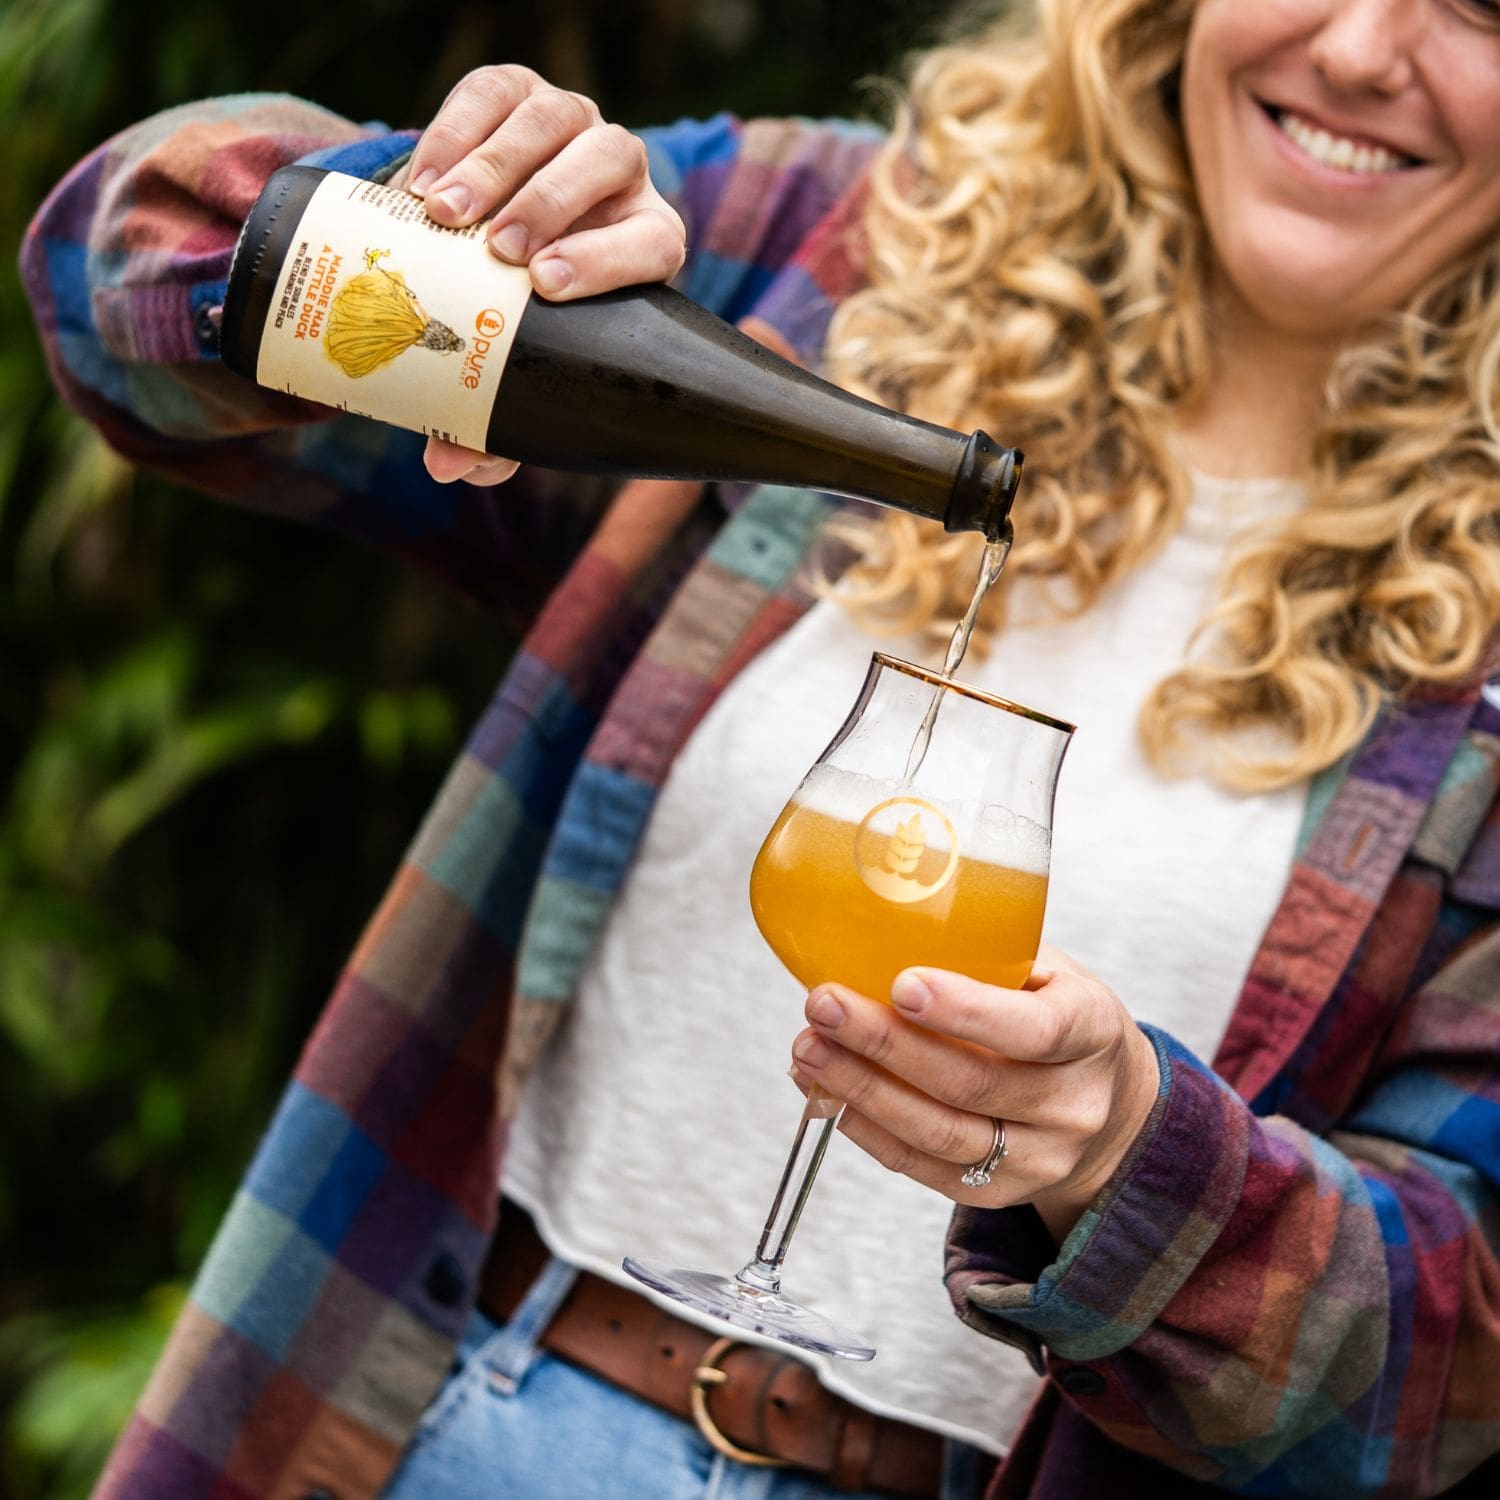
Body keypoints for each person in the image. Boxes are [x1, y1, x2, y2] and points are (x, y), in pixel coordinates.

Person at [20, 0, 1500, 1496]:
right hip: (474, 1427)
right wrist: (447, 201)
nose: (1361, 51)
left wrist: (1136, 1156)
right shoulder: (816, 249)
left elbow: (1454, 1375)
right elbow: (108, 275)